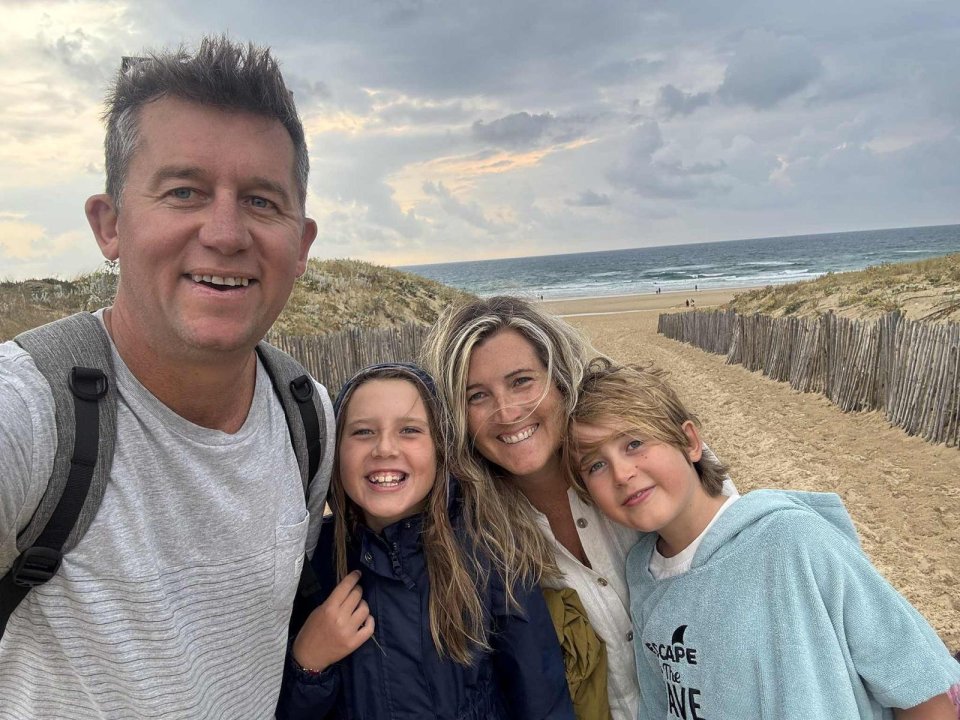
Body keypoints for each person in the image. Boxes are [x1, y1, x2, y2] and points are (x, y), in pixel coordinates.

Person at [0, 37, 335, 717]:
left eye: (262, 201)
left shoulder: (309, 418)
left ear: (301, 246)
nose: (225, 231)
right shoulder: (31, 414)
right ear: (110, 224)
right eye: (184, 191)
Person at [567, 358, 960, 719]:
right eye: (596, 464)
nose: (621, 473)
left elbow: (923, 687)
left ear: (689, 442)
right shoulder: (642, 574)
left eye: (634, 443)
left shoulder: (791, 541)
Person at [423, 296, 735, 720]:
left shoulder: (645, 472)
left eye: (521, 381)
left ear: (560, 381)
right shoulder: (474, 535)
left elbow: (737, 559)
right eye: (477, 395)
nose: (508, 412)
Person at [276, 363, 574, 719]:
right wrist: (307, 664)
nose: (384, 448)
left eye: (409, 430)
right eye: (363, 432)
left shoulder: (491, 554)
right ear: (336, 451)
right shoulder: (311, 562)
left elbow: (543, 700)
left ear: (441, 449)